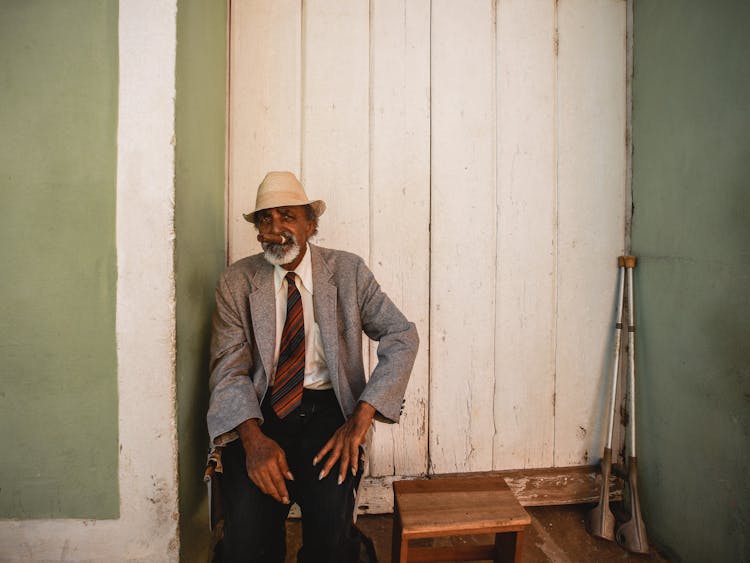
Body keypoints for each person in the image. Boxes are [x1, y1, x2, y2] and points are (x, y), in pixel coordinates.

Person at [207, 171, 419, 562]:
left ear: (311, 224)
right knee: (246, 542)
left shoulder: (348, 272)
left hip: (329, 415)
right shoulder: (237, 282)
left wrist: (362, 417)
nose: (275, 229)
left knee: (330, 540)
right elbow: (229, 369)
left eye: (287, 216)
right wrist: (253, 443)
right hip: (259, 414)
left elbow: (401, 335)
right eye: (265, 220)